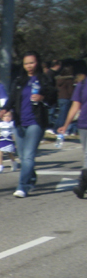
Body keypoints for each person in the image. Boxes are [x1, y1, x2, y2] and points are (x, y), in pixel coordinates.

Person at [1, 51, 56, 198]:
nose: (29, 66)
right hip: (19, 121)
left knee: (28, 156)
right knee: (22, 155)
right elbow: (12, 98)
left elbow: (53, 98)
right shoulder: (19, 80)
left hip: (36, 122)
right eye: (26, 63)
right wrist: (5, 109)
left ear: (37, 62)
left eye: (31, 63)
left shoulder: (44, 79)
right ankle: (31, 178)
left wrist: (42, 97)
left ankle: (22, 186)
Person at [57, 70, 87, 198]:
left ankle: (82, 185)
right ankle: (83, 185)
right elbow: (75, 105)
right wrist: (66, 124)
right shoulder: (83, 83)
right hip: (84, 124)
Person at [55, 66, 77, 136]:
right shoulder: (69, 80)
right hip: (66, 98)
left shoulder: (58, 80)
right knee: (64, 115)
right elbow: (71, 91)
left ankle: (56, 128)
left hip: (59, 98)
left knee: (60, 114)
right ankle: (61, 129)